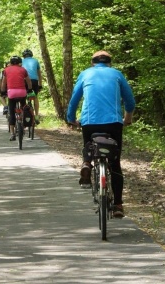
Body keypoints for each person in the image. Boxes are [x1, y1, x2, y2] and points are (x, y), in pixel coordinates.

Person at [66, 50, 135, 219]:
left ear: (93, 63)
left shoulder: (85, 74)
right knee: (115, 163)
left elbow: (74, 99)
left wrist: (71, 119)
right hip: (113, 123)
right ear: (110, 63)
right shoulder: (117, 74)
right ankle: (118, 205)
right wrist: (127, 119)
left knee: (89, 146)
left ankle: (87, 163)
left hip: (90, 122)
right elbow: (130, 101)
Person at [1, 55, 33, 141]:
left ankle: (12, 134)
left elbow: (4, 83)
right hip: (22, 92)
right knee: (23, 107)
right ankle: (22, 121)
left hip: (11, 93)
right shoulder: (23, 69)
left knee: (11, 113)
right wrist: (29, 89)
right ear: (20, 63)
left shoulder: (6, 70)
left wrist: (3, 92)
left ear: (10, 63)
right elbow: (28, 81)